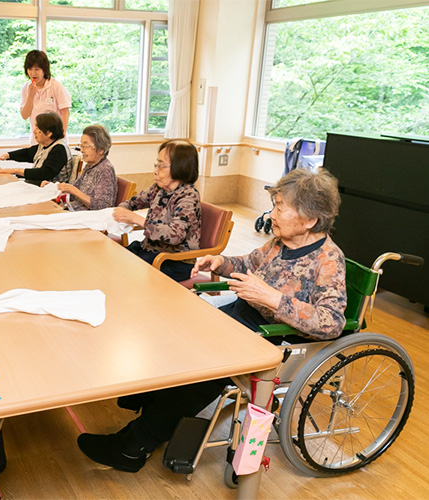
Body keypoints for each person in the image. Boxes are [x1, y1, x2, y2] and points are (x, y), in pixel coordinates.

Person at [77, 168, 347, 473]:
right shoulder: (279, 243)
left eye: (280, 208)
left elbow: (332, 322)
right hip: (243, 317)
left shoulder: (328, 260)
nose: (271, 214)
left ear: (310, 220)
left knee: (204, 369)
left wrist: (273, 298)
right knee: (177, 336)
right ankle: (151, 409)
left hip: (274, 337)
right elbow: (247, 263)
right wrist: (221, 262)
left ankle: (133, 446)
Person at [112, 140, 201, 281]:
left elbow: (175, 235)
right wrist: (122, 210)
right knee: (113, 261)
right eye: (156, 164)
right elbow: (131, 203)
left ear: (180, 167)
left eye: (161, 166)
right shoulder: (158, 188)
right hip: (150, 251)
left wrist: (136, 219)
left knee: (126, 273)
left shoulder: (188, 196)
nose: (155, 170)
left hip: (174, 261)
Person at [43, 124, 117, 211]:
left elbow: (102, 206)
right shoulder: (89, 166)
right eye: (81, 145)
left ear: (101, 150)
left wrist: (73, 190)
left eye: (85, 146)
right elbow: (73, 193)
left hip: (86, 218)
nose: (81, 150)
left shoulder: (105, 170)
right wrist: (54, 186)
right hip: (73, 210)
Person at [0, 111, 73, 185]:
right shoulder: (44, 145)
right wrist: (7, 156)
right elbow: (28, 153)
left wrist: (17, 170)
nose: (34, 131)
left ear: (48, 133)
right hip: (39, 185)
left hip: (52, 190)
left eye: (37, 128)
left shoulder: (59, 149)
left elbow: (45, 173)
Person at [20, 50, 71, 145]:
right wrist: (31, 95)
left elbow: (65, 113)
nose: (33, 73)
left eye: (37, 69)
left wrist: (61, 137)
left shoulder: (55, 85)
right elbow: (24, 115)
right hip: (36, 141)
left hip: (55, 140)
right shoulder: (26, 88)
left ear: (44, 70)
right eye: (30, 69)